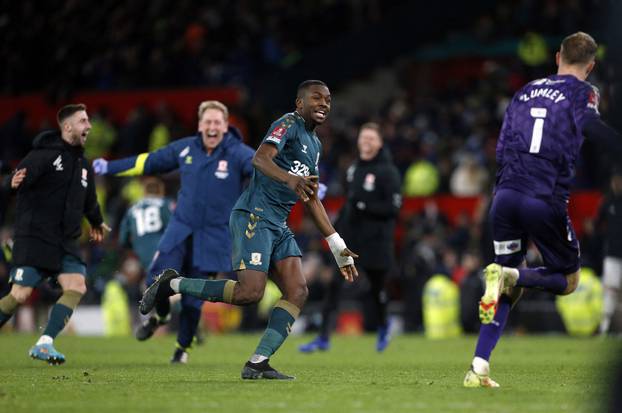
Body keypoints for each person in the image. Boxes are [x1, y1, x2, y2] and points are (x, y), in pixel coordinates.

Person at [139, 80, 359, 380]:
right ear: (299, 103)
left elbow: (311, 199)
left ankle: (258, 362)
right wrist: (290, 180)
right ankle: (172, 285)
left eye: (328, 100)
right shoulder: (287, 124)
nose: (323, 104)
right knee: (250, 293)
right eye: (316, 98)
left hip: (277, 224)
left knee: (297, 291)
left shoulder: (315, 145)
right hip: (253, 215)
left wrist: (338, 246)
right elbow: (260, 159)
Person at [464, 32, 622, 388]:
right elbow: (591, 127)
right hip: (543, 197)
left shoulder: (524, 90)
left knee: (504, 280)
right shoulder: (583, 92)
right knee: (567, 280)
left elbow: (501, 146)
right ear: (591, 65)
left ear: (557, 57)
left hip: (504, 197)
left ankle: (478, 367)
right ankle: (512, 275)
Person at [93, 101, 255, 363]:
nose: (212, 127)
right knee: (155, 279)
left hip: (214, 238)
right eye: (208, 122)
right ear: (200, 125)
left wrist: (298, 184)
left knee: (192, 302)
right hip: (180, 229)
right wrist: (109, 167)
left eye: (217, 123)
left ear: (225, 126)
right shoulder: (185, 148)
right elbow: (149, 162)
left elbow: (268, 171)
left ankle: (182, 349)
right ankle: (164, 316)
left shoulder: (239, 153)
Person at [0, 103, 109, 364]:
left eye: (89, 121)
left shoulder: (84, 164)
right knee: (20, 295)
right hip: (35, 237)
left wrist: (97, 221)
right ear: (67, 126)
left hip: (65, 240)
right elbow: (15, 180)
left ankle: (45, 343)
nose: (89, 126)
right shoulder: (43, 155)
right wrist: (9, 184)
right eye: (83, 121)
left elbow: (89, 200)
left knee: (77, 285)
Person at [299, 122, 401, 353]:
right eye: (363, 138)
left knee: (377, 289)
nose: (366, 142)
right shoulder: (355, 168)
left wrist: (364, 205)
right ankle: (323, 337)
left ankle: (384, 326)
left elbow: (393, 208)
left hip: (376, 241)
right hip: (352, 238)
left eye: (371, 139)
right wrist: (334, 229)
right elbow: (350, 204)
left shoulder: (388, 171)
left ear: (380, 143)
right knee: (334, 286)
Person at [118, 177, 174, 271]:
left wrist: (138, 245)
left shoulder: (132, 208)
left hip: (143, 256)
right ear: (161, 191)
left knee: (152, 281)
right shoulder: (165, 203)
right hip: (164, 254)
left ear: (144, 192)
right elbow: (175, 228)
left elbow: (123, 239)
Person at [597, 168, 622, 335]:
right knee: (610, 291)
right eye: (616, 181)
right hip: (611, 255)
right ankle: (604, 328)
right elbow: (597, 224)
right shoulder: (608, 202)